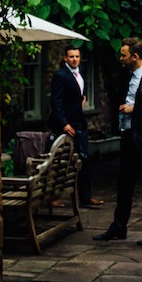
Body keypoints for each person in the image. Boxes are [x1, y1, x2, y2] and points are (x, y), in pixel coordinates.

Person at [95, 37, 142, 244]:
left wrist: (133, 108)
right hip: (130, 135)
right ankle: (119, 226)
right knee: (124, 183)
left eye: (124, 55)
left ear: (135, 57)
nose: (120, 58)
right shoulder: (130, 74)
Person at [47, 44, 101, 207]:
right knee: (59, 161)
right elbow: (56, 102)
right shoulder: (60, 75)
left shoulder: (81, 72)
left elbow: (80, 91)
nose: (75, 59)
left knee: (85, 159)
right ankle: (52, 197)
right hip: (64, 125)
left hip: (79, 123)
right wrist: (64, 124)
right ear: (65, 58)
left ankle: (86, 197)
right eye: (71, 56)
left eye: (77, 56)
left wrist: (82, 99)